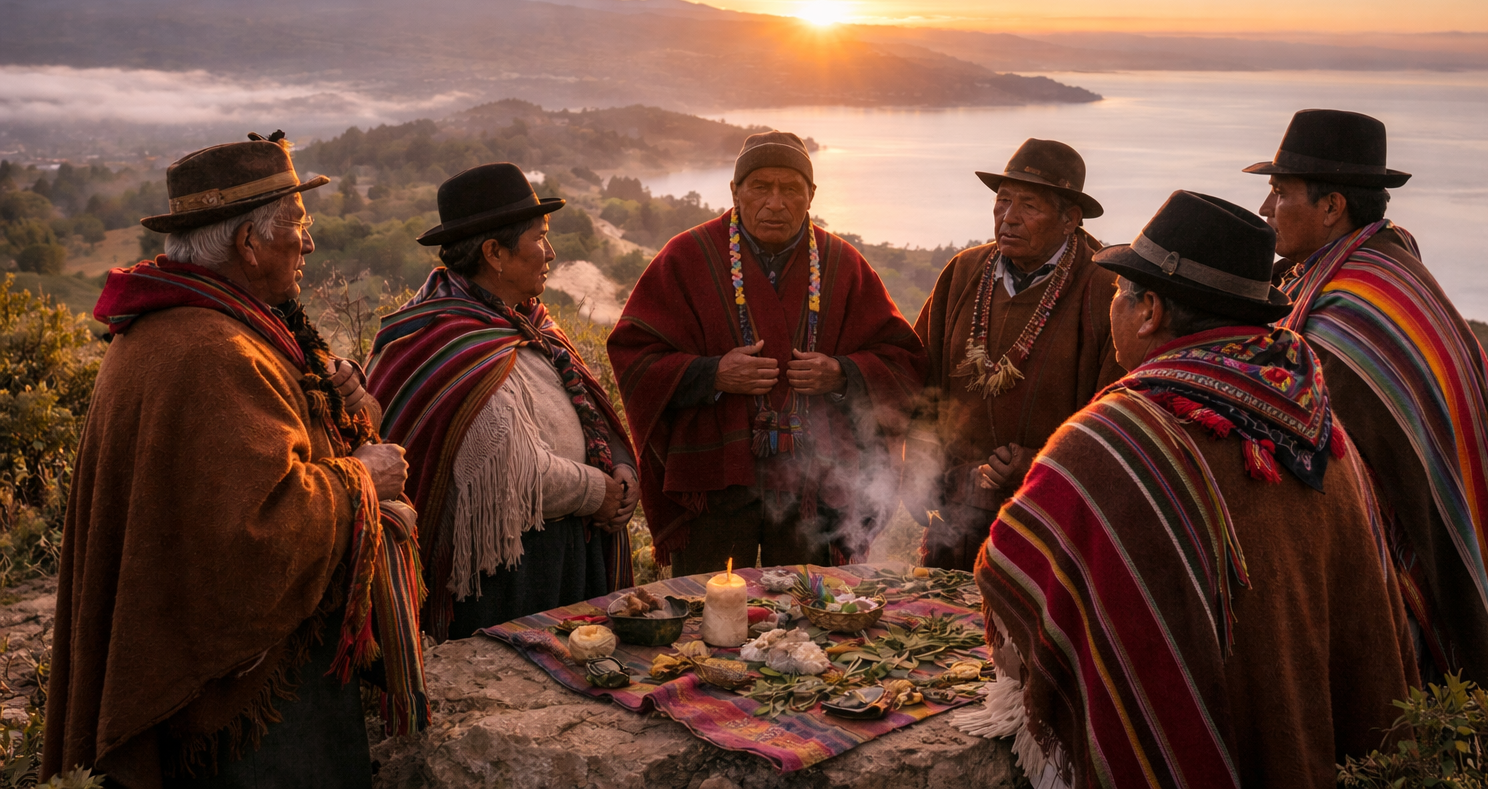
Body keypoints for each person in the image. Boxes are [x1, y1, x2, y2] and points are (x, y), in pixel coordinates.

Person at [966, 190, 1418, 789]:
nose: (1115, 309)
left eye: (1121, 294)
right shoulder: (1319, 430)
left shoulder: (1111, 444)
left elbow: (1012, 573)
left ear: (1150, 310)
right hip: (1322, 760)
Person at [44, 133, 426, 789]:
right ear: (248, 243)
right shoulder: (213, 352)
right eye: (297, 225)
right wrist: (363, 478)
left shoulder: (196, 327)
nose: (308, 243)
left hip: (230, 672)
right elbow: (257, 530)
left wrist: (353, 417)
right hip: (251, 701)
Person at [1247, 108, 1488, 683]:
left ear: (1333, 206)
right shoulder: (1389, 265)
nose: (1264, 209)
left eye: (1280, 192)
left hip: (1399, 590)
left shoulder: (1343, 319)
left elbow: (1330, 480)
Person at [607, 131, 925, 576]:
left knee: (806, 614)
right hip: (715, 475)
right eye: (761, 187)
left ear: (810, 195)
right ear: (736, 191)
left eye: (790, 189)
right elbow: (634, 352)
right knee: (706, 608)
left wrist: (842, 374)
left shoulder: (841, 264)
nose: (775, 203)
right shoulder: (687, 257)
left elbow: (903, 360)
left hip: (813, 485)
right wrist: (712, 374)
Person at [367, 162, 638, 640]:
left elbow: (588, 409)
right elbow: (512, 473)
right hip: (511, 575)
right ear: (494, 252)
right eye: (539, 237)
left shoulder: (525, 324)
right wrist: (599, 493)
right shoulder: (447, 342)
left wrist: (620, 465)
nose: (550, 252)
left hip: (565, 551)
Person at [905, 138, 1120, 569]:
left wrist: (1041, 459)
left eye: (1029, 206)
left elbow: (1115, 411)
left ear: (1069, 219)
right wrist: (925, 471)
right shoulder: (965, 271)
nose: (1009, 218)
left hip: (1049, 521)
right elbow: (918, 377)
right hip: (957, 511)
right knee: (943, 627)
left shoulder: (1104, 289)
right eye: (1003, 201)